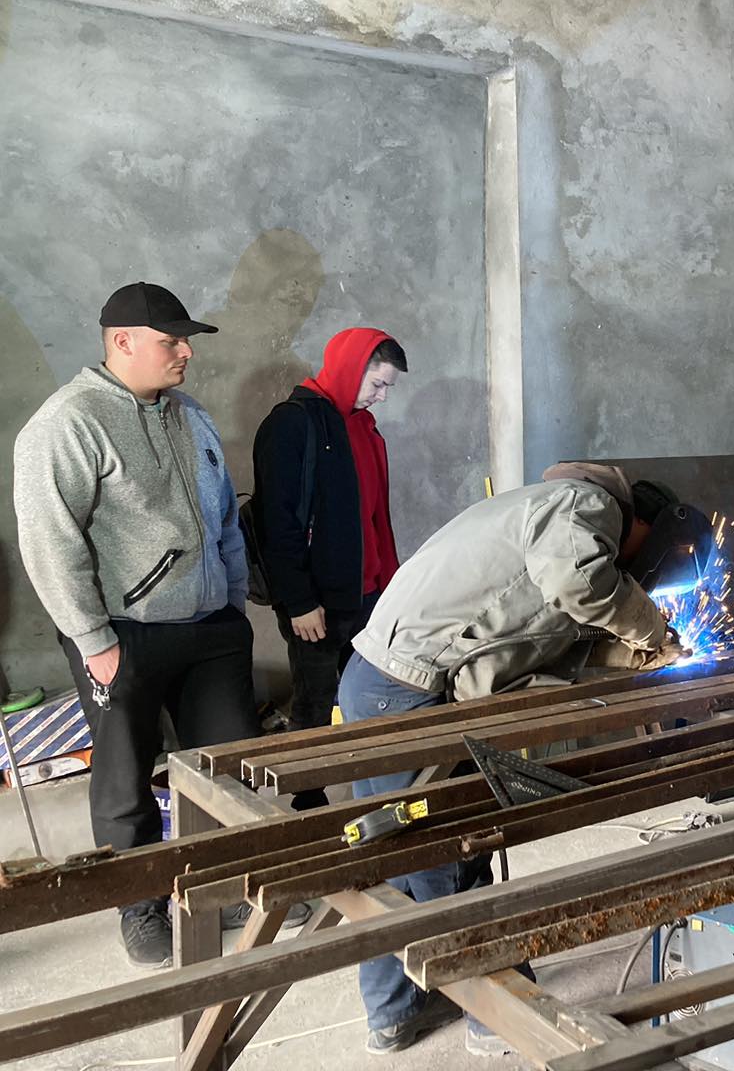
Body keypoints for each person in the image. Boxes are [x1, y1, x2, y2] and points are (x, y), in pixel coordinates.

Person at [340, 463, 685, 1054]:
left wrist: (634, 655)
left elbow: (542, 640)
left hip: (379, 682)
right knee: (450, 855)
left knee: (391, 854)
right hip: (407, 694)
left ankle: (394, 1013)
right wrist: (649, 627)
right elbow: (580, 585)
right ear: (642, 524)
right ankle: (499, 1018)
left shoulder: (544, 518)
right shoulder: (586, 505)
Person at [12, 283, 275, 967]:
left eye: (186, 340)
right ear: (122, 342)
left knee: (228, 766)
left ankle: (227, 885)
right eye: (171, 341)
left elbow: (224, 517)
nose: (186, 352)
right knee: (125, 775)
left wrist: (233, 601)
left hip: (211, 628)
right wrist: (93, 640)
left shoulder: (191, 417)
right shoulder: (68, 424)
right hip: (122, 635)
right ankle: (140, 905)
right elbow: (50, 543)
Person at [252, 328, 407, 810]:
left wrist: (392, 589)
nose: (381, 397)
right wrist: (299, 601)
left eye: (387, 388)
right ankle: (308, 802)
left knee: (375, 696)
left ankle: (376, 791)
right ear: (350, 368)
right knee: (314, 702)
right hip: (317, 602)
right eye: (377, 384)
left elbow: (376, 516)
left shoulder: (364, 427)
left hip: (370, 594)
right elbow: (276, 522)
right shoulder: (293, 424)